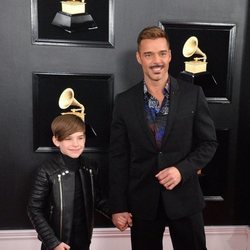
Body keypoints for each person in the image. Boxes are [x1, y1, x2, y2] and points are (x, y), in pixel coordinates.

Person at [108, 26, 218, 250]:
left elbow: (209, 143)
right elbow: (118, 157)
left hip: (186, 200)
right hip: (143, 203)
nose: (156, 61)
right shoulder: (124, 102)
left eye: (161, 53)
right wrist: (118, 206)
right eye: (148, 54)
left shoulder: (193, 95)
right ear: (139, 58)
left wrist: (181, 170)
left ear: (169, 55)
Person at [27, 114, 109, 250]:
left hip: (84, 242)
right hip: (57, 243)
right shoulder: (46, 170)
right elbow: (34, 209)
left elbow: (97, 199)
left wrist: (116, 213)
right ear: (56, 141)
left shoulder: (91, 167)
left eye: (80, 138)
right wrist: (53, 243)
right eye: (68, 139)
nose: (76, 144)